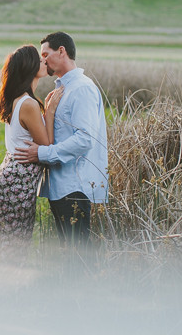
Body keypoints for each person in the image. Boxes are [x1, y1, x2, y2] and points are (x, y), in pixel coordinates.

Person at [14, 31, 108, 247]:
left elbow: (85, 139)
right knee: (71, 253)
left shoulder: (82, 88)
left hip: (74, 186)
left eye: (45, 54)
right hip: (60, 186)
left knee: (79, 255)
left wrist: (41, 153)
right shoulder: (62, 90)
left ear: (62, 51)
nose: (42, 60)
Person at [0, 44, 58, 251]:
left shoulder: (18, 100)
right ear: (30, 67)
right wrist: (50, 112)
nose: (44, 61)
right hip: (20, 180)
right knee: (14, 242)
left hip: (12, 175)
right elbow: (47, 146)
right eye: (39, 59)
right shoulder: (29, 104)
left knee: (2, 238)